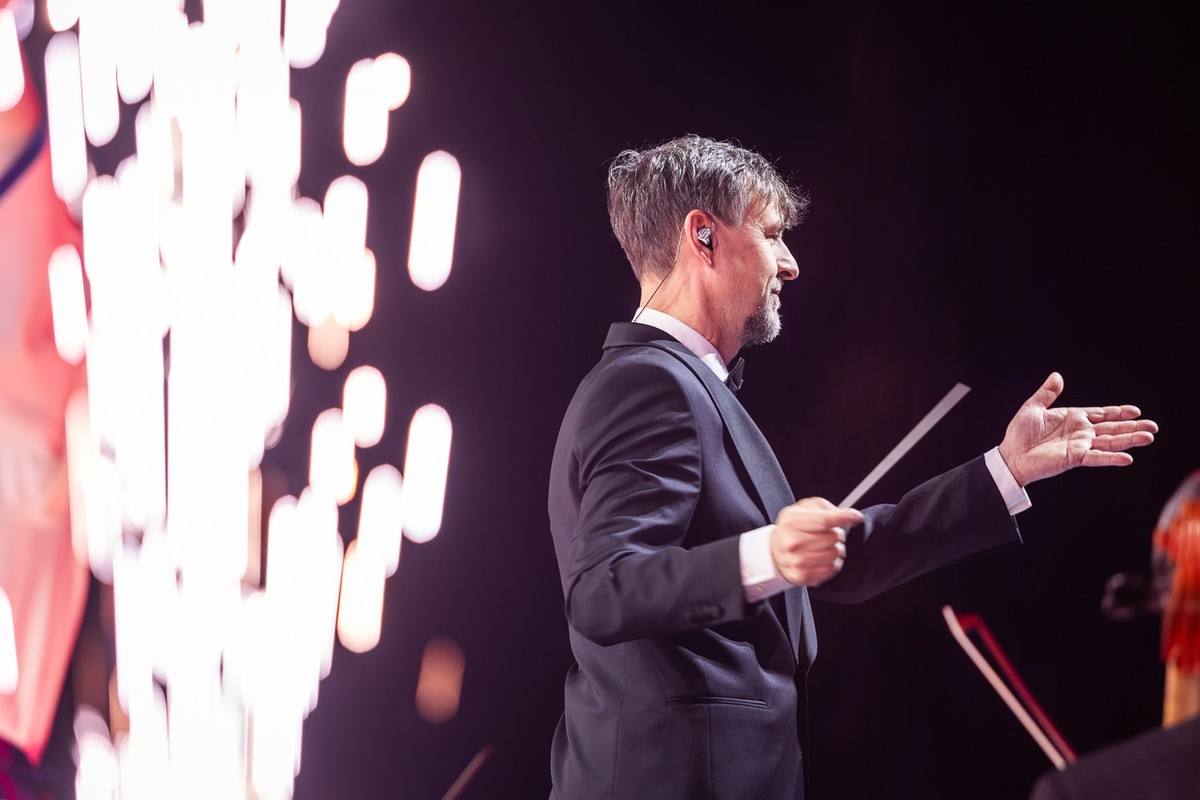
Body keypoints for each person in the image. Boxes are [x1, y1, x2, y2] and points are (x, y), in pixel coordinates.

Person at [546, 135, 1158, 800]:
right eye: (772, 234)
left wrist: (1006, 470)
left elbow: (841, 559)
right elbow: (603, 590)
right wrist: (770, 552)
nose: (790, 264)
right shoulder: (648, 384)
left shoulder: (684, 386)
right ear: (705, 236)